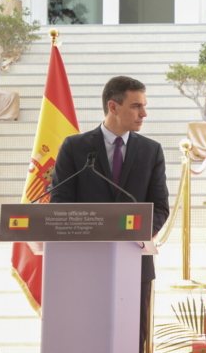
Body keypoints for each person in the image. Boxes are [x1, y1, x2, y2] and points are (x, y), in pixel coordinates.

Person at [51, 76, 170, 353]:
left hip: (134, 261)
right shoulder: (75, 146)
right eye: (136, 106)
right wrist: (94, 232)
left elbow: (160, 206)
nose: (144, 114)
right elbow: (61, 201)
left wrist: (133, 233)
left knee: (132, 340)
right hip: (83, 263)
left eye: (144, 106)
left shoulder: (151, 150)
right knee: (84, 337)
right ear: (113, 107)